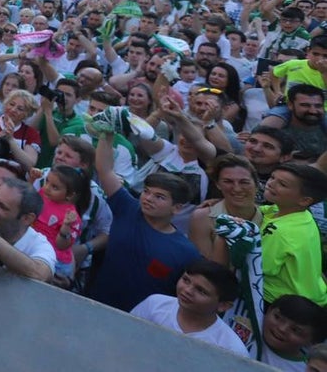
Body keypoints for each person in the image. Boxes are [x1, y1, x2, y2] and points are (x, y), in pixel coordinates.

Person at [87, 128, 200, 311]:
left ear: (177, 208)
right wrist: (106, 133)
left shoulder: (186, 252)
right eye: (146, 192)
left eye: (159, 197)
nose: (148, 198)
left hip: (143, 325)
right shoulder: (128, 208)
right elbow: (105, 170)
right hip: (96, 306)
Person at [129, 258, 250, 357]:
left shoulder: (231, 349)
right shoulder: (155, 305)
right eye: (186, 280)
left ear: (223, 305)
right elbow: (125, 338)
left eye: (201, 291)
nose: (187, 290)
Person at [259, 162, 327, 306]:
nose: (271, 184)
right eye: (272, 177)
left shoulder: (280, 231)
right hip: (312, 296)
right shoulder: (301, 215)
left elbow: (263, 267)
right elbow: (264, 210)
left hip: (283, 302)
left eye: (282, 184)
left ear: (304, 200)